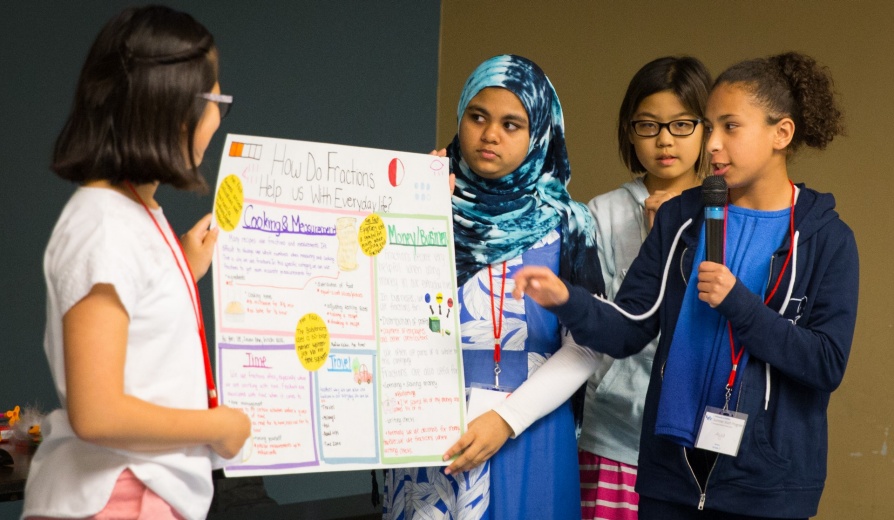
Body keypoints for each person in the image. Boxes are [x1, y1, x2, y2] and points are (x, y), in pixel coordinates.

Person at [513, 51, 857, 520]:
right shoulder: (683, 218)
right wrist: (566, 299)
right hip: (670, 479)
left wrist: (738, 303)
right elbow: (630, 325)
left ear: (782, 133)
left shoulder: (825, 238)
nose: (712, 144)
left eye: (730, 127)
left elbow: (825, 363)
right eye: (709, 127)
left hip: (767, 488)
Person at [23, 6, 250, 520]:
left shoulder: (134, 211)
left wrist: (182, 272)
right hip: (120, 497)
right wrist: (218, 425)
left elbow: (138, 329)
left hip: (139, 492)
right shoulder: (103, 224)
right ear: (172, 110)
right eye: (216, 99)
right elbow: (98, 412)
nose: (218, 117)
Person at [382, 54, 604, 519]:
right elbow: (383, 312)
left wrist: (506, 420)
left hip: (529, 433)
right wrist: (415, 216)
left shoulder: (568, 221)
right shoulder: (419, 199)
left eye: (512, 124)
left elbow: (589, 345)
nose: (490, 135)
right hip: (429, 431)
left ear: (539, 132)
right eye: (477, 117)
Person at [578, 56, 711, 520]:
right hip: (613, 434)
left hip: (695, 438)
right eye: (649, 125)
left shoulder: (726, 210)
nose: (665, 140)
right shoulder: (603, 213)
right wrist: (651, 250)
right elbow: (600, 323)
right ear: (629, 132)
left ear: (707, 129)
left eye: (681, 124)